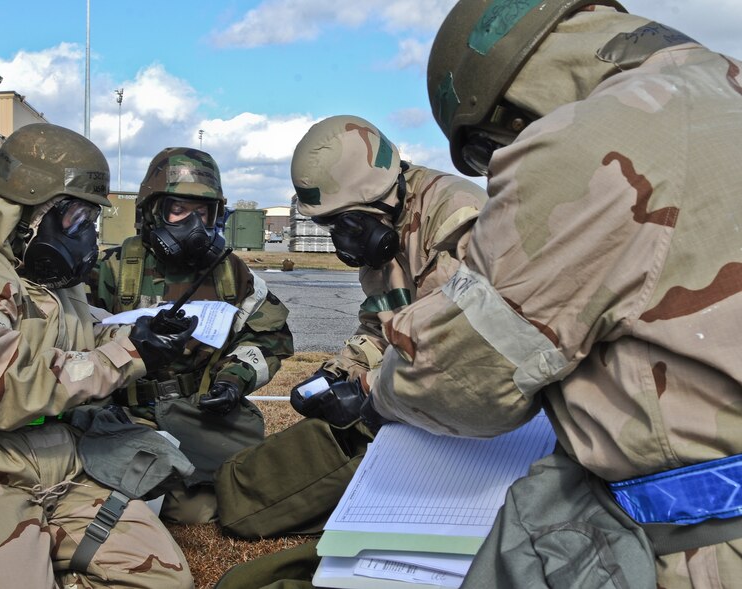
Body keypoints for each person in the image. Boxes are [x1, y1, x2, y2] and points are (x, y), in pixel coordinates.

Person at [368, 1, 742, 586]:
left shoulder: (587, 140)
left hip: (704, 542)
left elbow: (459, 383)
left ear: (511, 112)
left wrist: (378, 390)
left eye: (481, 152)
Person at [0, 123, 196, 588]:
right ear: (27, 211)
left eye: (93, 221)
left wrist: (142, 334)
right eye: (77, 220)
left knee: (161, 580)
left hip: (58, 460)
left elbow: (77, 344)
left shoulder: (49, 276)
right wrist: (128, 354)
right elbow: (3, 391)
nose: (88, 237)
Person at [214, 115, 488, 540]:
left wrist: (368, 390)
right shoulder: (386, 228)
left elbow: (460, 353)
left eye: (345, 224)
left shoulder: (457, 221)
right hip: (416, 391)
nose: (341, 241)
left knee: (329, 459)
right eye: (328, 226)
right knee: (286, 460)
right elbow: (382, 326)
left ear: (376, 194)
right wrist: (338, 372)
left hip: (470, 406)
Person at [90, 147, 294, 524]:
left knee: (254, 488)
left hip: (199, 414)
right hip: (127, 415)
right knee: (192, 509)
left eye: (203, 213)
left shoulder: (231, 272)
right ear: (153, 211)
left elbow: (270, 335)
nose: (194, 225)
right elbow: (73, 337)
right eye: (179, 211)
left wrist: (235, 379)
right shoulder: (116, 268)